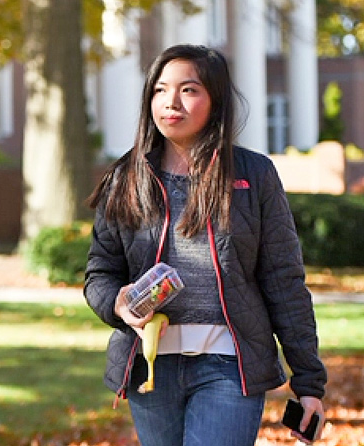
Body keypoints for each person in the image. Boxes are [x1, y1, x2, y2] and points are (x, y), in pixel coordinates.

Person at [84, 44, 326, 446]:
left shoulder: (254, 174)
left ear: (215, 100)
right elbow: (100, 273)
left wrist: (309, 381)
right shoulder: (125, 177)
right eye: (160, 90)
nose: (170, 102)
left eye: (189, 90)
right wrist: (118, 302)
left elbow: (284, 280)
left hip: (230, 366)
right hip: (151, 369)